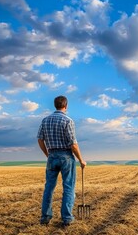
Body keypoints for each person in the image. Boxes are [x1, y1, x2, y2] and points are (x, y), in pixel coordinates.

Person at [37, 95, 86, 227]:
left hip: (52, 155)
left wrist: (48, 154)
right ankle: (67, 219)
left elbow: (40, 139)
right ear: (66, 105)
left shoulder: (45, 120)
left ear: (55, 105)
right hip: (66, 156)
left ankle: (45, 217)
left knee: (49, 188)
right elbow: (73, 144)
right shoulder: (68, 121)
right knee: (69, 187)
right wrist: (81, 160)